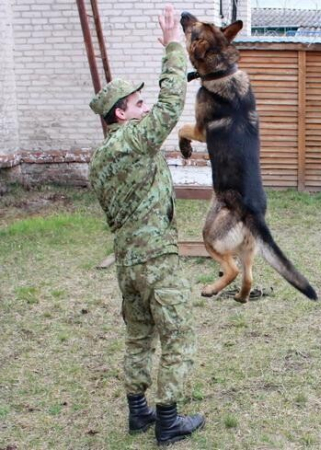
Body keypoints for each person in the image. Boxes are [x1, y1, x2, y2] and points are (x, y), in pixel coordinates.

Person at [87, 5, 204, 445]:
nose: (144, 108)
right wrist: (174, 45)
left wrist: (189, 76)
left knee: (139, 336)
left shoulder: (100, 159)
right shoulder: (135, 139)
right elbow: (171, 105)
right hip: (156, 258)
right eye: (137, 104)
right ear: (120, 114)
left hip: (126, 262)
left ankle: (139, 414)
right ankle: (168, 422)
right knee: (178, 334)